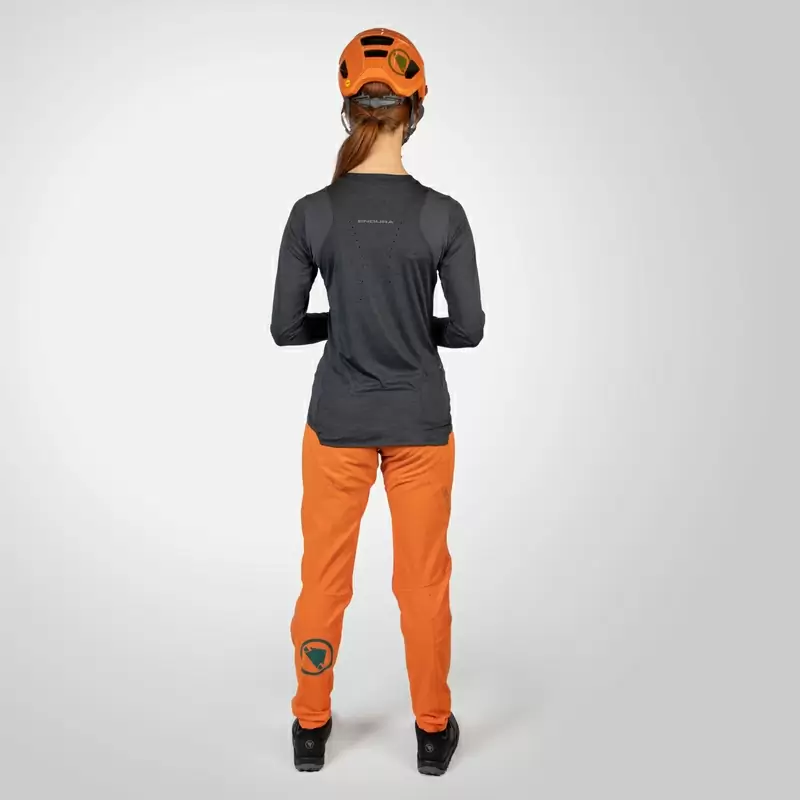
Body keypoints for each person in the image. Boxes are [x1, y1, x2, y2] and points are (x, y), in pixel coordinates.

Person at [270, 27, 485, 775]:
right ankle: (432, 733)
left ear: (348, 110)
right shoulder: (443, 215)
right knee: (422, 584)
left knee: (323, 580)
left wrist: (347, 322)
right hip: (420, 422)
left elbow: (285, 328)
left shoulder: (312, 213)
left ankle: (309, 728)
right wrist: (413, 326)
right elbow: (468, 329)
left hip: (337, 423)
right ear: (414, 111)